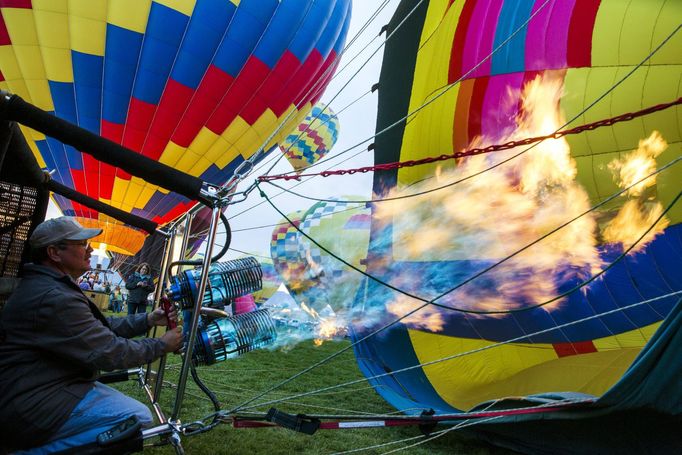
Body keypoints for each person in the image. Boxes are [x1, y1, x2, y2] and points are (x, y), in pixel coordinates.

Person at [0, 217, 183, 452]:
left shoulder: (50, 286)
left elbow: (100, 326)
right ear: (55, 253)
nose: (92, 249)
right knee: (137, 416)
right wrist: (161, 345)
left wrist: (147, 319)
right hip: (31, 403)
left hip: (43, 384)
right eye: (83, 244)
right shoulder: (54, 297)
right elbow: (110, 352)